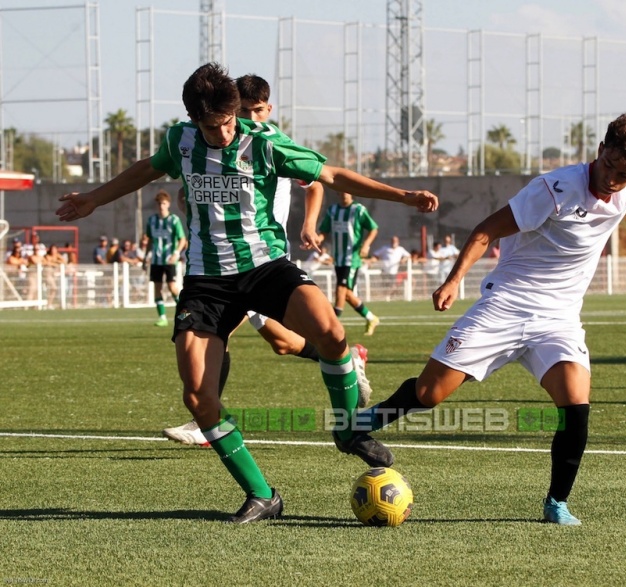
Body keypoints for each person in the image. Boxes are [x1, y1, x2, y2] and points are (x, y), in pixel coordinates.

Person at [56, 62, 438, 524]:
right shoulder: (180, 140)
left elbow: (331, 175)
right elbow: (146, 170)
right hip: (206, 281)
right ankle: (263, 495)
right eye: (211, 126)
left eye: (227, 123)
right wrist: (94, 198)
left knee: (331, 333)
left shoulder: (263, 142)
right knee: (198, 398)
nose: (220, 134)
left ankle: (350, 430)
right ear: (195, 119)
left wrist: (404, 196)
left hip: (265, 268)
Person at [355, 103, 626, 526]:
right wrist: (453, 281)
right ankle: (361, 423)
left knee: (576, 405)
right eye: (610, 165)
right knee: (429, 394)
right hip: (506, 305)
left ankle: (556, 503)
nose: (613, 179)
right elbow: (485, 230)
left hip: (558, 320)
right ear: (600, 149)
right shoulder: (554, 189)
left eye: (623, 174)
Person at [162, 73, 371, 446]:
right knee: (283, 343)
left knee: (218, 332)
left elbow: (319, 181)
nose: (250, 118)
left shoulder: (267, 142)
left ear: (268, 109)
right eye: (244, 111)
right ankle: (348, 359)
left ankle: (204, 418)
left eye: (257, 110)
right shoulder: (213, 143)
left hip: (265, 259)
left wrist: (308, 225)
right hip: (226, 259)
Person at [319, 191, 381, 335]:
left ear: (352, 193)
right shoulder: (332, 210)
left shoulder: (358, 210)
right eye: (341, 191)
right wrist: (317, 239)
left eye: (347, 191)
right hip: (338, 258)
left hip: (351, 258)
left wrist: (366, 245)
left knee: (340, 289)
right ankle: (371, 318)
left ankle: (332, 324)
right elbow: (324, 231)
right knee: (346, 294)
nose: (344, 194)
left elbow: (373, 228)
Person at [146, 190, 187, 327]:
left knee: (172, 287)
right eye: (159, 204)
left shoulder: (174, 220)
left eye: (163, 203)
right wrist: (147, 256)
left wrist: (176, 253)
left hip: (170, 259)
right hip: (156, 260)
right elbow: (150, 240)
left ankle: (185, 313)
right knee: (157, 288)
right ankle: (162, 317)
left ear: (168, 204)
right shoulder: (151, 220)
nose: (161, 206)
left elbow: (182, 239)